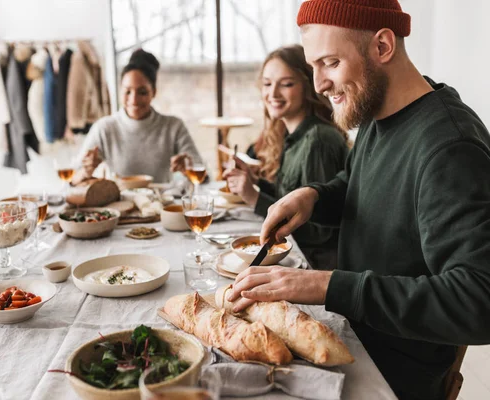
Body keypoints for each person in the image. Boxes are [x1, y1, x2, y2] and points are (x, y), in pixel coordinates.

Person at [226, 1, 490, 399]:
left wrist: (329, 285)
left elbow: (477, 301)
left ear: (383, 46)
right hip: (352, 338)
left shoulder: (449, 147)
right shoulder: (379, 113)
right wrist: (314, 195)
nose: (318, 84)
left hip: (395, 374)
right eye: (313, 66)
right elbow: (359, 184)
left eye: (330, 62)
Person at [224, 45, 348, 269]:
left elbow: (319, 233)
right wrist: (255, 182)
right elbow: (291, 198)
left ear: (309, 86)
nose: (273, 94)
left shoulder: (319, 140)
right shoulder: (291, 136)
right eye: (267, 84)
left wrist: (254, 197)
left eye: (287, 84)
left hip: (312, 266)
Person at [73, 49, 203, 184]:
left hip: (161, 204)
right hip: (118, 204)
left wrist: (187, 168)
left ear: (154, 92)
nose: (134, 100)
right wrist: (86, 171)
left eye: (142, 92)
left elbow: (204, 175)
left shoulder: (173, 126)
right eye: (127, 92)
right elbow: (72, 179)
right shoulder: (104, 128)